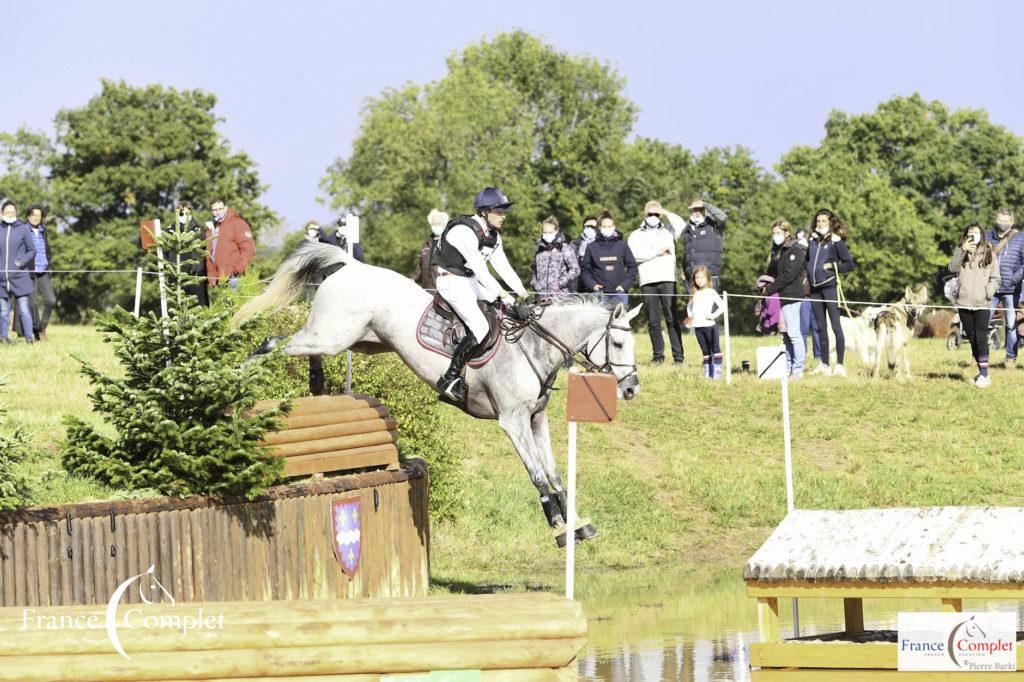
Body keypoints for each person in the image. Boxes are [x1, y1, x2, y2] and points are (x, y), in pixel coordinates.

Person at [430, 187, 529, 403]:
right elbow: (482, 272)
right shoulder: (464, 232)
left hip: (470, 280)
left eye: (504, 212)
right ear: (484, 211)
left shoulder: (493, 235)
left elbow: (503, 267)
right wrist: (508, 297)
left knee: (503, 312)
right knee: (480, 327)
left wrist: (523, 293)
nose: (504, 216)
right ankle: (450, 377)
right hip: (450, 280)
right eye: (499, 212)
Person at [628, 200, 686, 365]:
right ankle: (658, 356)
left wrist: (666, 212)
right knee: (653, 320)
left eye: (656, 214)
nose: (653, 217)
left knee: (671, 318)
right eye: (650, 214)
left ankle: (678, 357)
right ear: (644, 214)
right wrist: (656, 253)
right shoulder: (636, 234)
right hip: (647, 280)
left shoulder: (668, 231)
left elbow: (682, 227)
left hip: (668, 279)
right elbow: (634, 255)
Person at [950, 223, 1001, 388]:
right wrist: (962, 250)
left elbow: (995, 278)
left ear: (982, 235)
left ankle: (985, 375)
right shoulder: (961, 252)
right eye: (970, 232)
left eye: (976, 232)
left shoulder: (989, 254)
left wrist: (987, 293)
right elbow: (952, 268)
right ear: (965, 235)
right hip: (964, 302)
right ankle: (982, 373)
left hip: (982, 303)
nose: (973, 234)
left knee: (981, 337)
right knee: (972, 338)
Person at [806, 209, 855, 376]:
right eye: (818, 221)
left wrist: (832, 267)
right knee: (820, 328)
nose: (820, 224)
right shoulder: (812, 241)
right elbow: (808, 262)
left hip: (829, 287)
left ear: (830, 223)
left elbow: (849, 264)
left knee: (835, 326)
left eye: (824, 221)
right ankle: (825, 364)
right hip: (814, 289)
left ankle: (840, 365)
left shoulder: (836, 242)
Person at [762, 219, 808, 378]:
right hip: (778, 297)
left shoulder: (796, 251)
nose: (775, 236)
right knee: (785, 335)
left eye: (778, 233)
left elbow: (788, 276)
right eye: (773, 233)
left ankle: (798, 369)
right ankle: (788, 367)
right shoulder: (775, 251)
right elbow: (772, 273)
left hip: (791, 296)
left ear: (787, 233)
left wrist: (769, 289)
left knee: (794, 334)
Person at [986, 208, 1023, 367]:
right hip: (990, 288)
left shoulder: (1021, 238)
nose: (1002, 223)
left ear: (1012, 221)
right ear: (995, 219)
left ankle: (1010, 358)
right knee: (982, 323)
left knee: (1011, 324)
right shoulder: (987, 236)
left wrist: (1014, 280)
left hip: (1011, 289)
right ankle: (979, 357)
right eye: (1000, 220)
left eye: (1006, 221)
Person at [580, 210, 637, 307]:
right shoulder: (591, 247)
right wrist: (592, 285)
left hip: (619, 294)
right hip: (599, 295)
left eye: (609, 226)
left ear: (614, 227)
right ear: (599, 227)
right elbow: (585, 270)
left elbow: (633, 267)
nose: (607, 228)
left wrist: (625, 285)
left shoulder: (622, 245)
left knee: (619, 322)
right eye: (604, 226)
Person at [0, 201, 35, 344]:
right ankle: (3, 337)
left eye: (13, 212)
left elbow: (32, 250)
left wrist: (21, 262)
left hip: (20, 277)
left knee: (24, 310)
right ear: (2, 213)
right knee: (3, 311)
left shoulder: (23, 229)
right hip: (2, 279)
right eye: (7, 212)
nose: (10, 214)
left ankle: (29, 338)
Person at [685, 266, 725, 379]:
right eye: (697, 277)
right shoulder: (694, 293)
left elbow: (722, 306)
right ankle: (708, 375)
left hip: (710, 326)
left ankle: (717, 375)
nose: (699, 280)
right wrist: (691, 318)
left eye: (702, 277)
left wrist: (712, 315)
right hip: (698, 328)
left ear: (707, 279)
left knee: (715, 349)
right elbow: (689, 307)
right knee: (705, 351)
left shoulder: (711, 292)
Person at [206, 198, 256, 289]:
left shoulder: (237, 223)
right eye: (214, 210)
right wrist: (212, 278)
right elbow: (210, 255)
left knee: (237, 303)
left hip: (234, 279)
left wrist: (235, 271)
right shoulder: (212, 230)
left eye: (220, 209)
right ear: (212, 212)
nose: (218, 212)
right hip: (219, 281)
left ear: (225, 208)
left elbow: (249, 249)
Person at [22, 205, 56, 340]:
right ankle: (36, 331)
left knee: (51, 300)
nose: (36, 218)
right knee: (33, 303)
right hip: (29, 272)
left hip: (43, 271)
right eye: (34, 215)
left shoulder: (43, 231)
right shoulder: (23, 230)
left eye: (39, 215)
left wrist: (48, 260)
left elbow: (47, 249)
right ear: (28, 216)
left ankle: (42, 327)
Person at [681, 198, 727, 291]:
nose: (697, 212)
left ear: (705, 210)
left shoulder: (713, 225)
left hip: (709, 277)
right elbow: (686, 253)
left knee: (709, 306)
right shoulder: (687, 229)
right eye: (695, 209)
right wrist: (685, 274)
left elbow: (723, 217)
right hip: (692, 278)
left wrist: (705, 204)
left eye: (700, 209)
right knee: (693, 305)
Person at [530, 216, 579, 299]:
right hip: (542, 296)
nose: (547, 234)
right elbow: (534, 269)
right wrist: (534, 283)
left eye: (550, 232)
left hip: (561, 296)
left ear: (556, 231)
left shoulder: (565, 248)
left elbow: (575, 270)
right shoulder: (539, 249)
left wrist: (560, 283)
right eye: (545, 232)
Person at [173, 201, 210, 307]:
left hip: (196, 276)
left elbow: (206, 250)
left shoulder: (200, 231)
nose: (184, 215)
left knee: (200, 307)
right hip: (179, 278)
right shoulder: (172, 232)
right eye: (181, 213)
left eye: (186, 213)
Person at [411, 209, 448, 291]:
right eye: (434, 224)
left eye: (438, 223)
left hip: (442, 290)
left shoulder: (448, 243)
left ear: (444, 225)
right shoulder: (426, 244)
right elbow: (421, 266)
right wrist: (413, 279)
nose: (436, 226)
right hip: (426, 289)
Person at [569, 215, 598, 292]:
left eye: (593, 227)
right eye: (588, 226)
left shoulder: (602, 246)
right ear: (584, 227)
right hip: (576, 288)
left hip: (595, 288)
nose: (590, 229)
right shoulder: (574, 245)